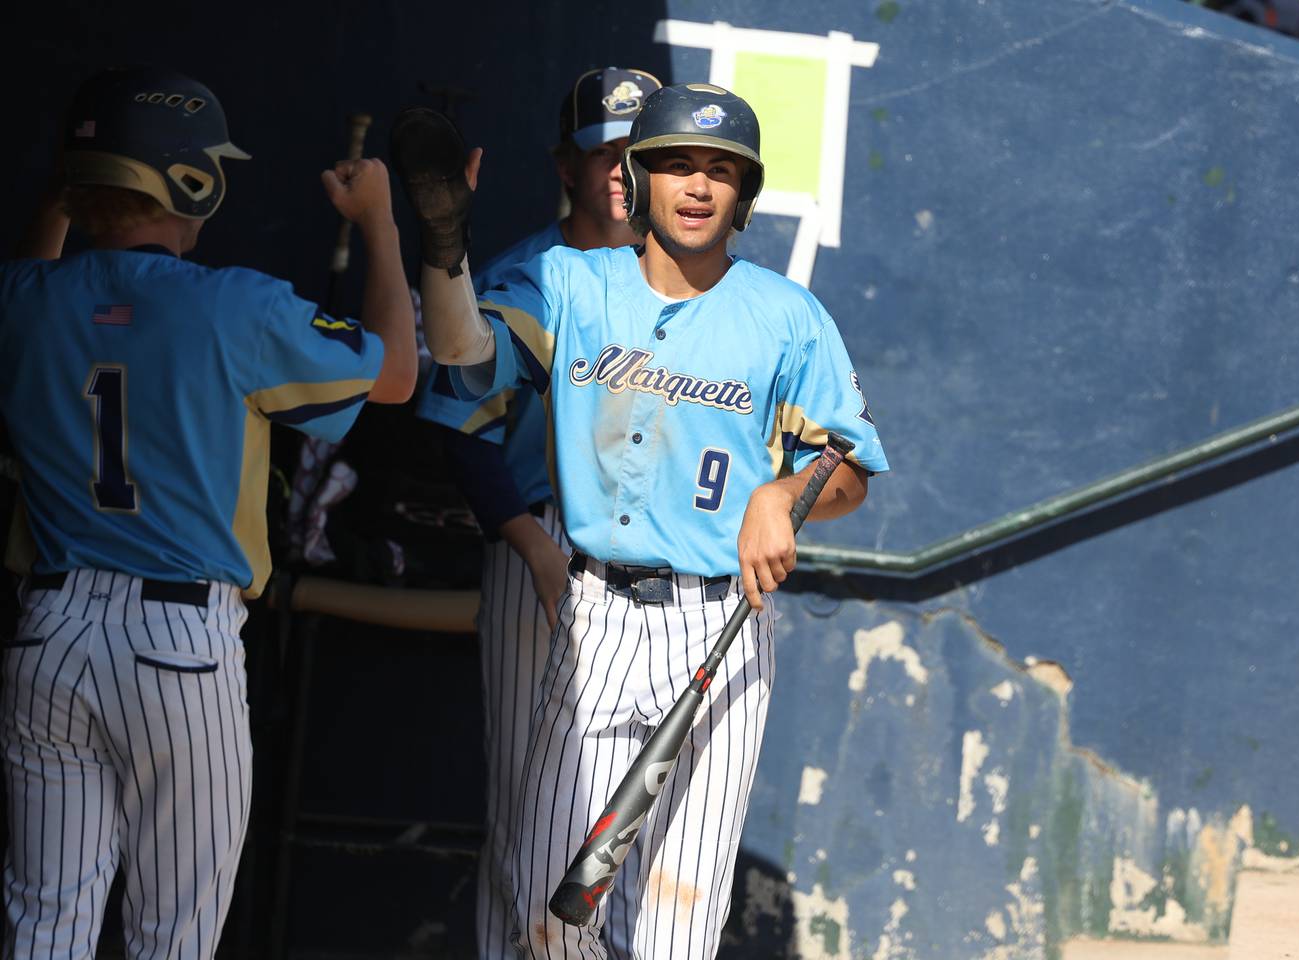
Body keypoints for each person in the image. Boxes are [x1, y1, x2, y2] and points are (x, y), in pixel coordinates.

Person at [397, 82, 888, 958]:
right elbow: (471, 358)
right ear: (637, 176)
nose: (698, 186)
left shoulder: (787, 315)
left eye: (720, 169)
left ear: (746, 193)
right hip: (594, 621)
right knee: (549, 913)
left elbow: (849, 464)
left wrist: (781, 495)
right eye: (676, 165)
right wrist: (444, 247)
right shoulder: (571, 282)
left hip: (719, 629)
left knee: (672, 929)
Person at [0, 66, 415, 956]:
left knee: (44, 921)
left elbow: (40, 274)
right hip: (178, 646)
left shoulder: (24, 303)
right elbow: (398, 376)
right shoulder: (235, 305)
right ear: (189, 181)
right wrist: (379, 220)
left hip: (49, 632)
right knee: (174, 937)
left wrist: (66, 196)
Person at [407, 65, 661, 957]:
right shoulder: (531, 274)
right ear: (568, 166)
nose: (628, 175)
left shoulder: (708, 290)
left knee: (643, 823)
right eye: (609, 157)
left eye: (647, 154)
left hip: (667, 562)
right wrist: (530, 548)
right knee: (534, 810)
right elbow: (461, 425)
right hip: (546, 545)